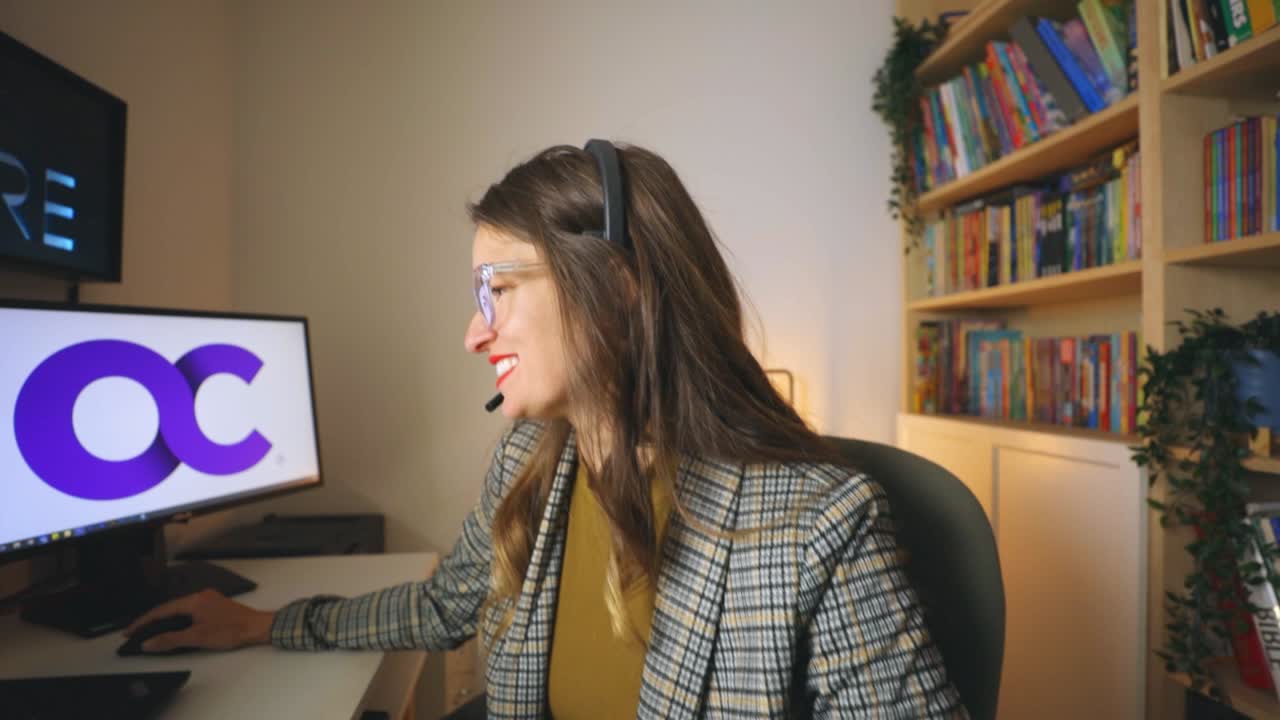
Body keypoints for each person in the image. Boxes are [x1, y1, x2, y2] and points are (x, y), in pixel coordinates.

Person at [125, 140, 966, 718]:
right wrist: (266, 624)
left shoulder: (817, 524)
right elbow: (442, 605)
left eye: (500, 289)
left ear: (622, 283)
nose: (473, 332)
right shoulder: (530, 464)